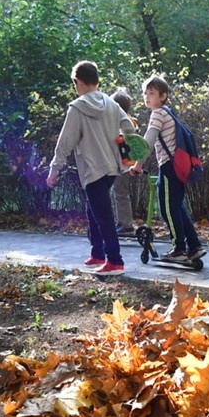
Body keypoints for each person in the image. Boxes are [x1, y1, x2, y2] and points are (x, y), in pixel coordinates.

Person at [46, 61, 133, 276]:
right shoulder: (112, 104)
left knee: (102, 214)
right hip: (112, 167)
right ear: (96, 81)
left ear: (78, 82)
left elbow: (65, 142)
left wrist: (54, 169)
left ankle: (115, 261)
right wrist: (120, 141)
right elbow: (129, 127)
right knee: (93, 210)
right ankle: (97, 253)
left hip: (93, 169)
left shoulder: (77, 108)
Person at [129, 74, 203, 262]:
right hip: (177, 166)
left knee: (167, 209)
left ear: (162, 96)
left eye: (151, 93)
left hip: (169, 167)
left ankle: (179, 248)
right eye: (145, 93)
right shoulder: (168, 112)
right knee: (178, 207)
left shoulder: (158, 114)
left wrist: (138, 164)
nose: (147, 97)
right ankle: (194, 246)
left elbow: (149, 140)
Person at [110, 88, 138, 237]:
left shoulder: (123, 123)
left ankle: (126, 225)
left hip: (123, 164)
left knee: (121, 193)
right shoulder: (127, 120)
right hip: (124, 163)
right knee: (118, 193)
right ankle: (121, 222)